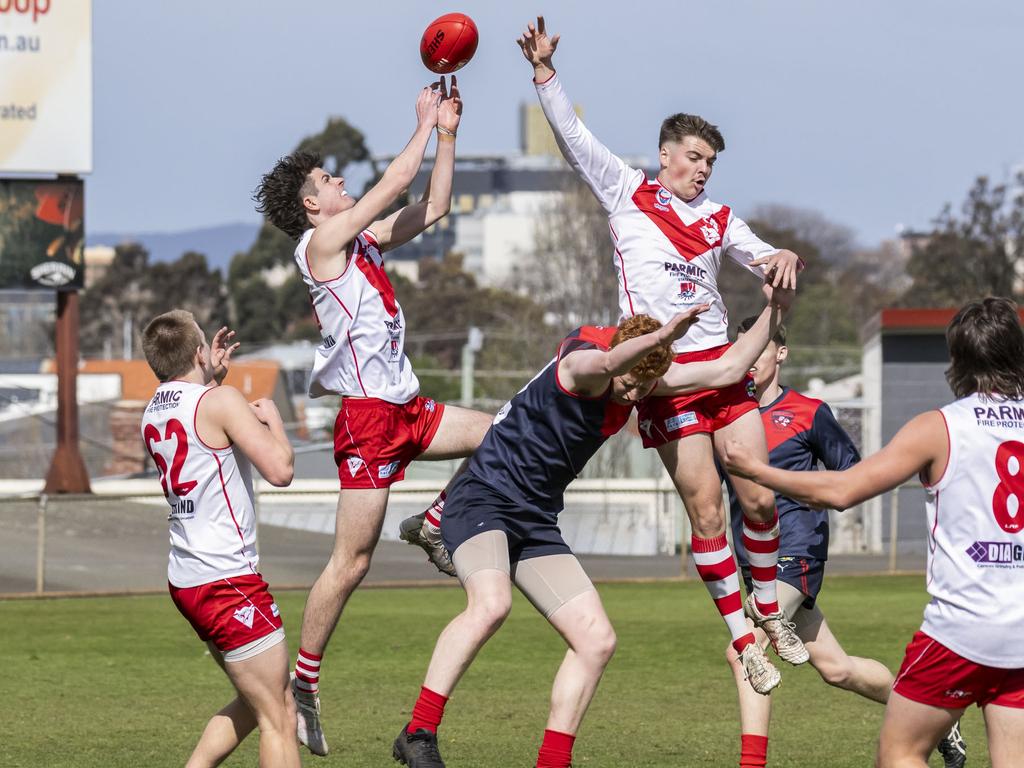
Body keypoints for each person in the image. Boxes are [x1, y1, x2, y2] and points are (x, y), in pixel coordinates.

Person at [517, 16, 806, 692]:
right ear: (666, 154)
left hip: (723, 370)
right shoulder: (625, 190)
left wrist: (780, 257)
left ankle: (770, 612)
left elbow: (760, 252)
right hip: (668, 376)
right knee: (706, 512)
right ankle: (744, 641)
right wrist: (545, 74)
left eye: (711, 162)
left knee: (760, 501)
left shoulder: (719, 217)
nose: (704, 170)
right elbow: (574, 139)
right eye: (696, 157)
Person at [392, 286, 792, 768]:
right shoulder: (583, 364)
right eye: (633, 385)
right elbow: (601, 368)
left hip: (536, 519)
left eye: (646, 387)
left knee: (596, 639)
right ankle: (418, 732)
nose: (636, 395)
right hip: (482, 500)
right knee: (492, 604)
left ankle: (552, 762)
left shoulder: (640, 376)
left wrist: (777, 307)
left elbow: (726, 370)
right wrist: (663, 335)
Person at [253, 77, 494, 755]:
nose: (340, 182)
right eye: (329, 179)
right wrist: (419, 124)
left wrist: (447, 132)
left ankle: (437, 521)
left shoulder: (361, 245)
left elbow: (434, 204)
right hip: (367, 421)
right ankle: (302, 684)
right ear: (312, 204)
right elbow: (395, 180)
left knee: (503, 435)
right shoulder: (321, 246)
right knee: (351, 563)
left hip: (411, 410)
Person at [724, 297, 1024, 768]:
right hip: (1020, 627)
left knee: (896, 750)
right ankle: (944, 724)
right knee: (837, 669)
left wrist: (758, 471)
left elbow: (844, 487)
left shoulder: (940, 426)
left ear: (956, 358)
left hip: (960, 625)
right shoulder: (733, 411)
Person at [140, 310, 299, 768]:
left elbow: (200, 426)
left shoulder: (154, 410)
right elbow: (281, 471)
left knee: (257, 703)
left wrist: (212, 378)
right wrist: (275, 423)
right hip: (226, 578)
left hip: (188, 578)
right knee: (280, 716)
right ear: (197, 353)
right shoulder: (221, 401)